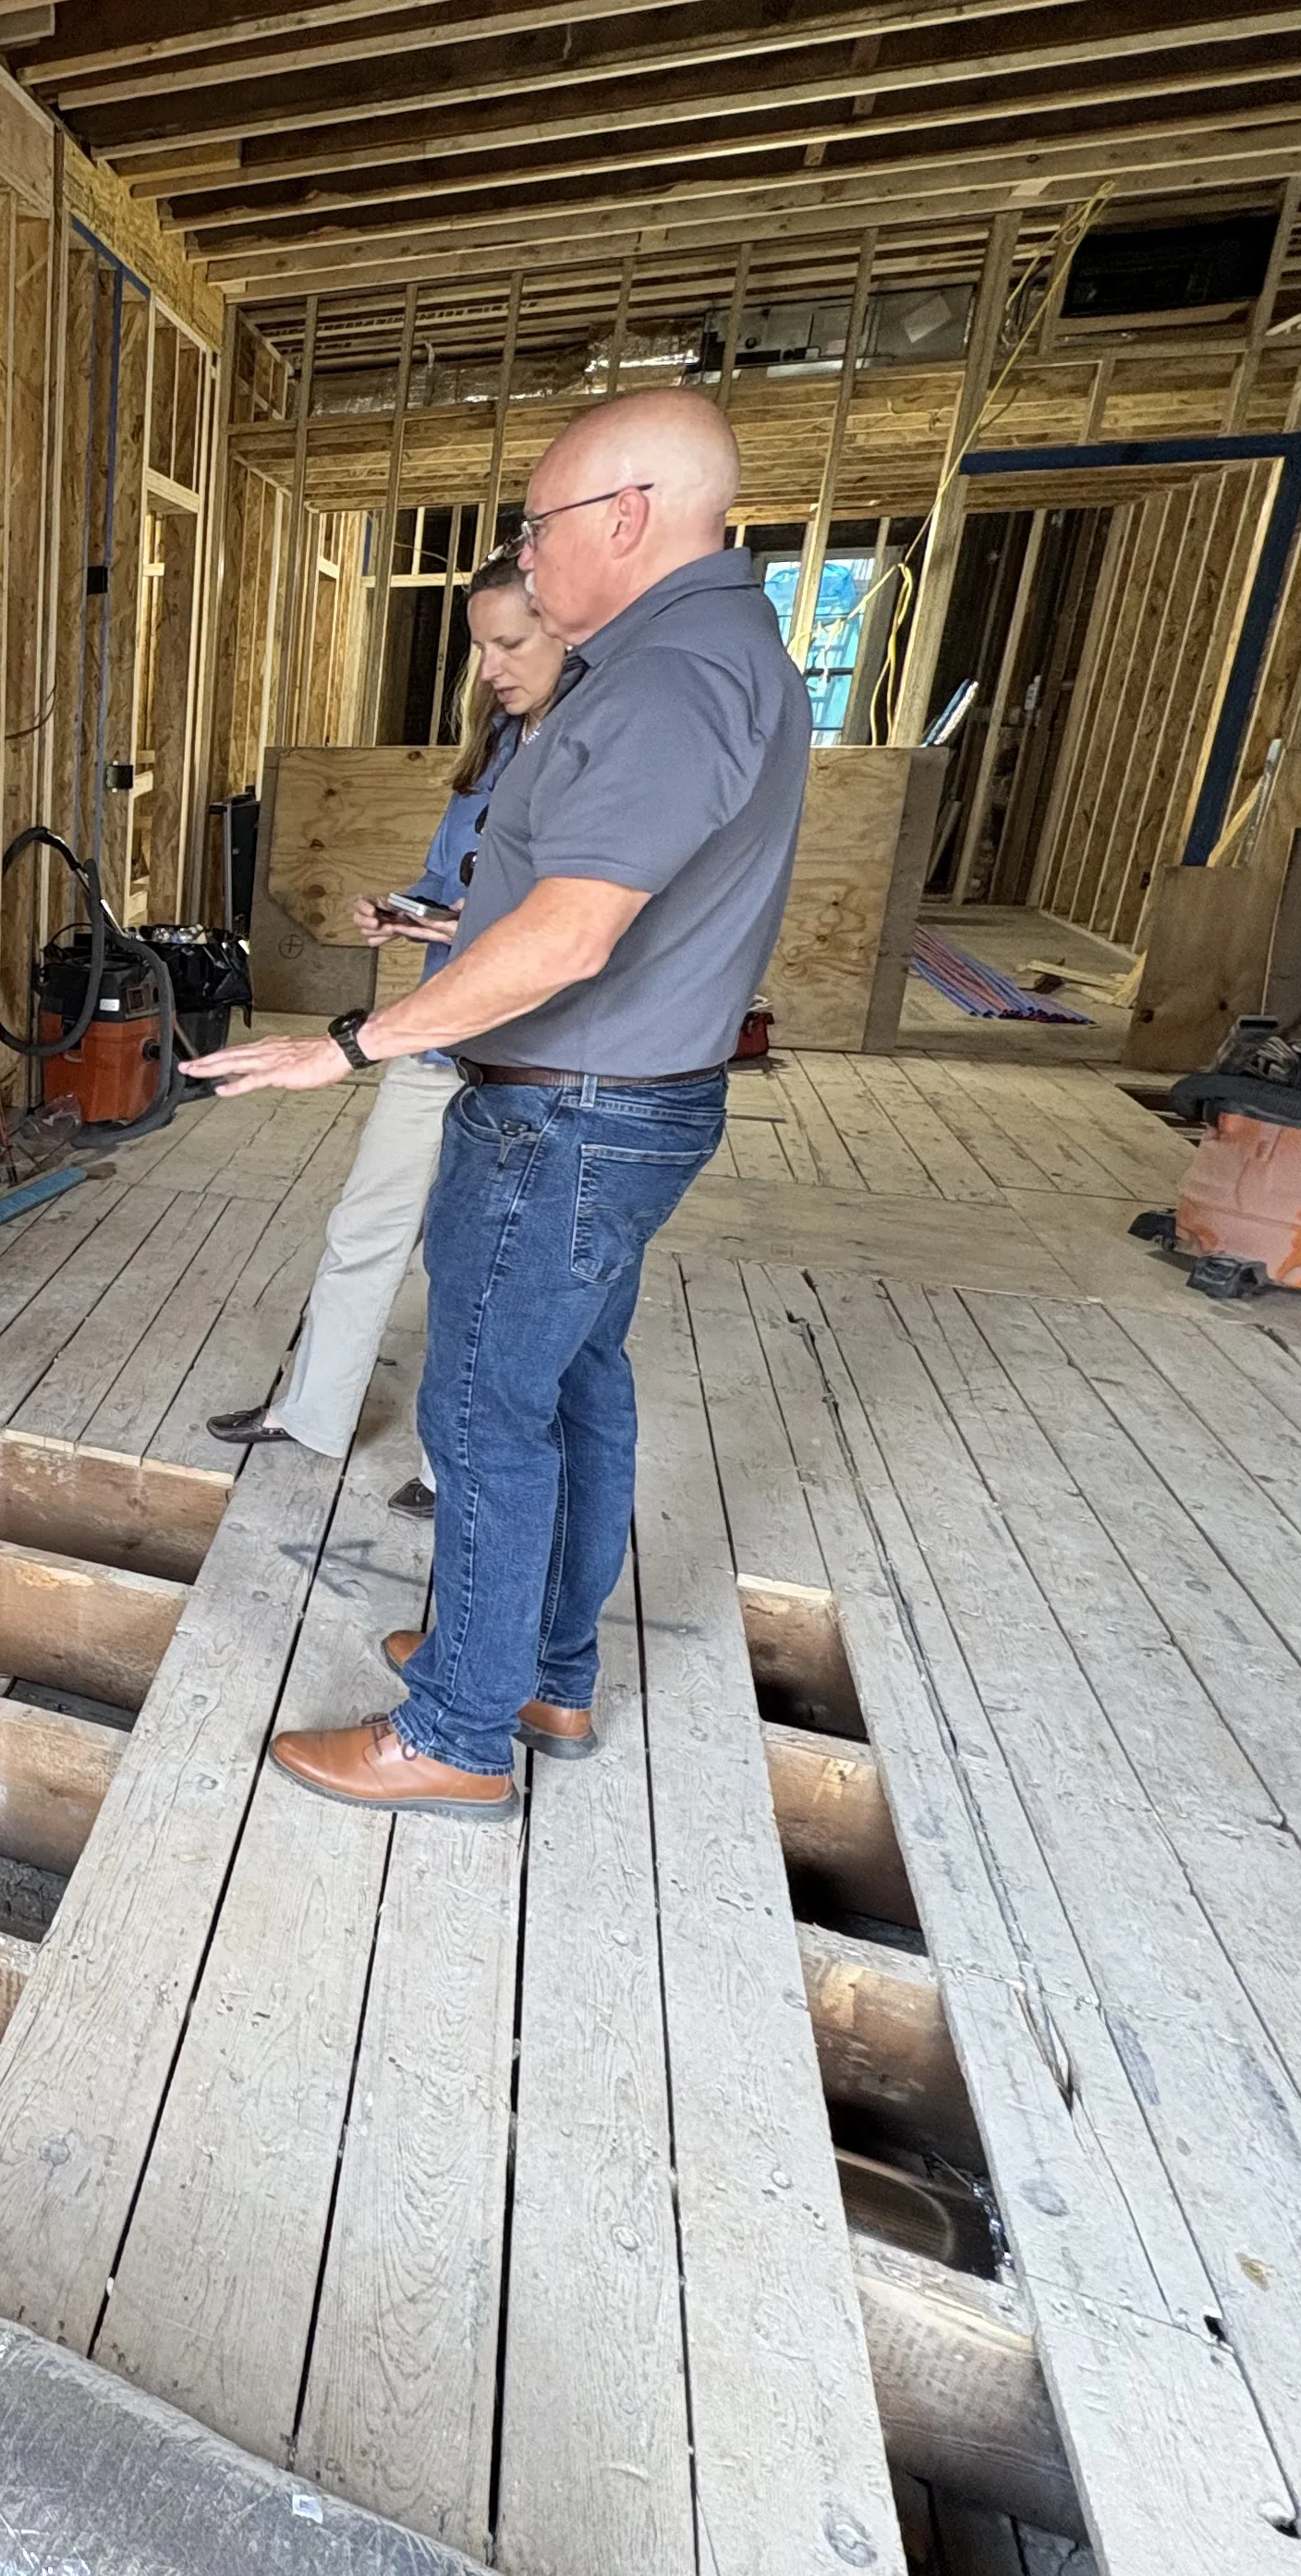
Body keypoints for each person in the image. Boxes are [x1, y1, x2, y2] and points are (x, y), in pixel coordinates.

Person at [180, 387, 809, 1822]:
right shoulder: (711, 654)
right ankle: (541, 1669)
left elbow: (575, 931)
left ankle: (460, 1731)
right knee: (574, 1390)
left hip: (565, 1116)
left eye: (540, 526)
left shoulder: (665, 680)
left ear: (630, 517)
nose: (527, 555)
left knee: (481, 1413)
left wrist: (353, 1043)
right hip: (617, 1103)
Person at [203, 559, 568, 1519]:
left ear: (570, 625)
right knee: (365, 1227)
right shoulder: (493, 744)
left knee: (470, 1262)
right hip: (436, 1036)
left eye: (511, 643)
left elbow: (570, 925)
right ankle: (311, 1413)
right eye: (480, 645)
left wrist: (455, 930)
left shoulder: (595, 751)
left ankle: (456, 1469)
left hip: (529, 1056)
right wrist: (409, 908)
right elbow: (454, 878)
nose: (490, 665)